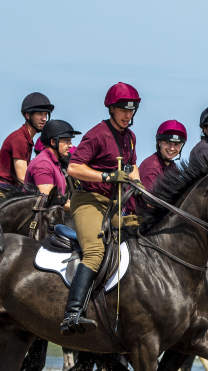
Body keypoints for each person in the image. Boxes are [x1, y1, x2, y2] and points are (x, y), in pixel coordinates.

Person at [61, 82, 141, 335]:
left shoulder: (130, 137)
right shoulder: (96, 134)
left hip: (113, 204)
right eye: (123, 110)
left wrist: (138, 184)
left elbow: (133, 165)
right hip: (88, 201)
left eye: (132, 110)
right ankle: (73, 312)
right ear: (111, 109)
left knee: (142, 234)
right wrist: (107, 177)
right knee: (95, 251)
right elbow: (73, 168)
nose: (128, 115)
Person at [0, 92, 54, 195]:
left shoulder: (26, 138)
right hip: (2, 190)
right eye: (39, 114)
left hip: (8, 188)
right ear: (27, 115)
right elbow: (23, 180)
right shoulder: (20, 139)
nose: (44, 118)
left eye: (45, 114)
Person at [124, 120, 187, 215]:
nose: (172, 148)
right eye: (167, 143)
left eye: (176, 144)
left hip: (154, 216)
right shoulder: (151, 167)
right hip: (136, 218)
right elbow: (150, 203)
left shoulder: (172, 166)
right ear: (159, 142)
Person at [25, 119, 80, 212]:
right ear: (53, 142)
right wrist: (81, 209)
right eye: (67, 141)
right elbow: (50, 201)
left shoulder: (54, 162)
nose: (70, 146)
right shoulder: (43, 164)